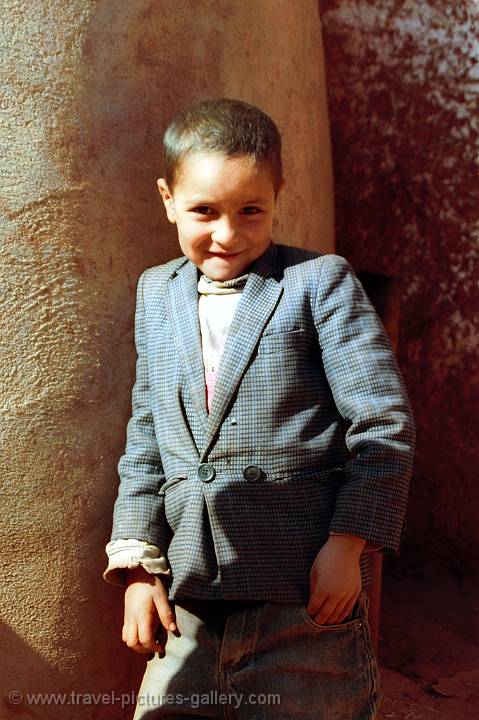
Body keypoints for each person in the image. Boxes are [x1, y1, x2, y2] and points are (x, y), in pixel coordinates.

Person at [103, 98, 415, 719]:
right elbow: (146, 438)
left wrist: (347, 546)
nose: (227, 233)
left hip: (303, 601)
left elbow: (382, 425)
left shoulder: (317, 282)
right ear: (167, 199)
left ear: (277, 194)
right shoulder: (156, 293)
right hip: (190, 605)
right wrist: (137, 566)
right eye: (203, 211)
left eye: (251, 210)